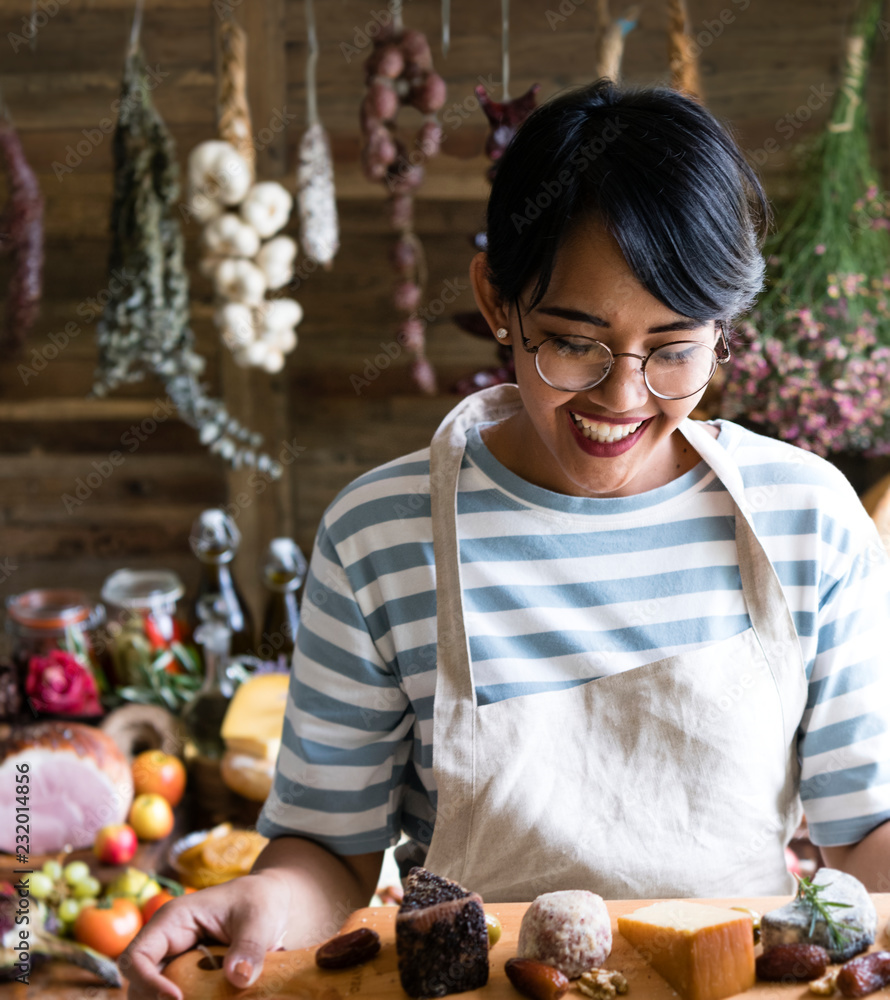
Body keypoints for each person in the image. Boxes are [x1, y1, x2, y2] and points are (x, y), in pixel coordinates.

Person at [121, 78, 890, 1000]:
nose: (623, 397)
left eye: (675, 348)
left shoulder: (807, 518)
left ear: (723, 331)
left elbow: (865, 830)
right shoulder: (381, 534)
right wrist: (269, 899)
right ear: (498, 301)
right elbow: (329, 849)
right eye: (574, 342)